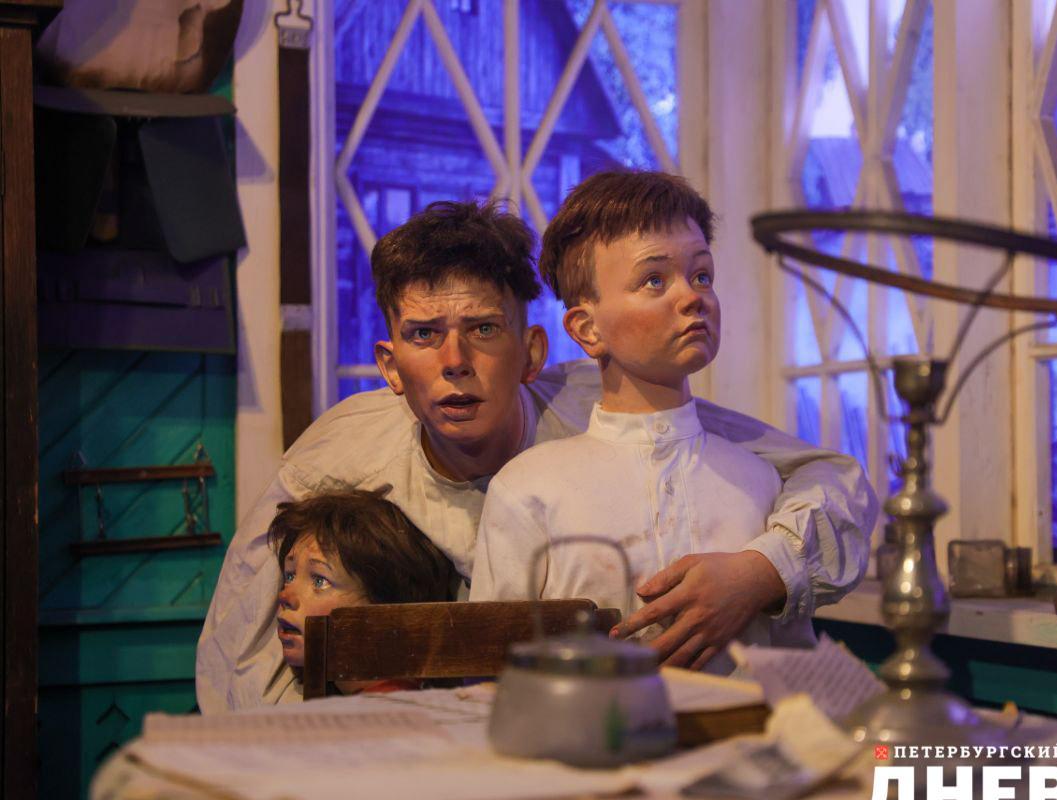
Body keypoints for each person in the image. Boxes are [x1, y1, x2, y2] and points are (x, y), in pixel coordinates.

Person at [197, 198, 877, 712]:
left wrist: (762, 569)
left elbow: (831, 478)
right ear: (390, 364)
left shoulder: (609, 403)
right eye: (425, 334)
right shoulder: (344, 448)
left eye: (483, 329)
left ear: (531, 352)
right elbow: (240, 646)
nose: (455, 360)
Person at [469, 171, 809, 673]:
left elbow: (793, 667)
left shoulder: (759, 483)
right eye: (654, 280)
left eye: (702, 276)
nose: (692, 297)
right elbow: (490, 669)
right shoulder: (529, 490)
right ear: (587, 328)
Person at [268, 489, 454, 694]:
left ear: (384, 604)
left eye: (320, 581)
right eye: (290, 576)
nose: (285, 596)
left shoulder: (391, 708)